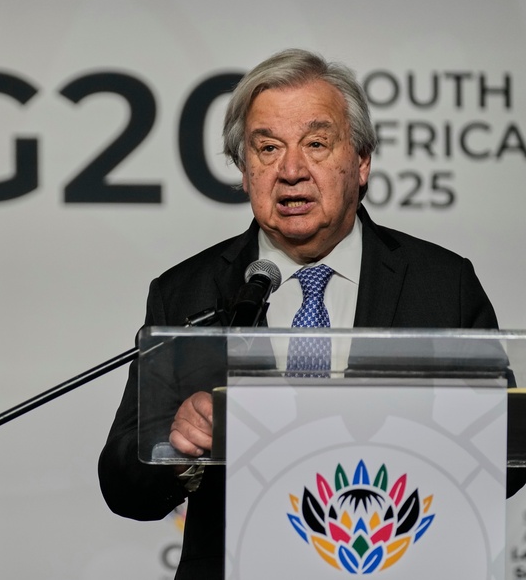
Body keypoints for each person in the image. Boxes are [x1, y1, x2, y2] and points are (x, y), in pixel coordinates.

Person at [97, 48, 515, 580]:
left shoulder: (441, 283)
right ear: (244, 171)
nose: (291, 170)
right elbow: (122, 483)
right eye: (267, 148)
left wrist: (416, 434)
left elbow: (506, 454)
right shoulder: (188, 293)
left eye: (316, 144)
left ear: (361, 162)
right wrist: (176, 450)